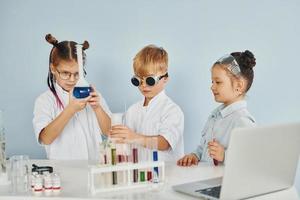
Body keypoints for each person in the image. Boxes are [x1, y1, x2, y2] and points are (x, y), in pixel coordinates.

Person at [33, 34, 111, 160]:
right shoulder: (45, 100)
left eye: (77, 74)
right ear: (53, 68)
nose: (72, 79)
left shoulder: (92, 95)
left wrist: (97, 108)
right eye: (65, 73)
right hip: (63, 172)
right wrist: (70, 110)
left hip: (94, 169)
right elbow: (45, 139)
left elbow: (109, 132)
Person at [177, 50, 256, 166]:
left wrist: (224, 156)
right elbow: (203, 148)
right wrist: (195, 156)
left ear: (239, 86)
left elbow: (250, 160)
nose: (212, 87)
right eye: (212, 81)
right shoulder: (215, 116)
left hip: (225, 184)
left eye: (218, 82)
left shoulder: (243, 122)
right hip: (205, 181)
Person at [110, 45, 184, 161]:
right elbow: (124, 142)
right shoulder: (132, 110)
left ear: (165, 78)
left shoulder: (171, 110)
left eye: (150, 80)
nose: (143, 85)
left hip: (167, 175)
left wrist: (135, 137)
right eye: (138, 80)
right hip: (140, 175)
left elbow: (165, 143)